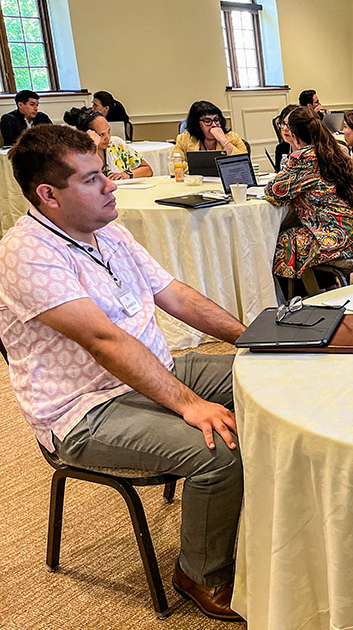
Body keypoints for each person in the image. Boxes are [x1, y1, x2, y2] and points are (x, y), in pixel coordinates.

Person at [0, 125, 247, 622]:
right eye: (93, 179)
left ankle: (245, 518)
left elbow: (174, 294)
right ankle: (199, 572)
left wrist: (252, 341)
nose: (112, 184)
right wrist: (188, 403)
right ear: (48, 195)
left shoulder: (107, 230)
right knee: (219, 452)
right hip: (84, 409)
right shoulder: (25, 253)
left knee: (265, 377)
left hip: (155, 367)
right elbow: (104, 342)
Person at [264, 106, 353, 282]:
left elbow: (274, 193)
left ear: (295, 135)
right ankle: (323, 288)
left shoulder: (304, 157)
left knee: (280, 242)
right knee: (297, 234)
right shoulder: (335, 149)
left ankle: (294, 300)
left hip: (335, 240)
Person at [63, 106, 153, 181]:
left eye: (109, 131)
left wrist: (128, 175)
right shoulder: (78, 154)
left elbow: (148, 170)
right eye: (101, 134)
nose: (108, 138)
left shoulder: (117, 144)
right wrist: (93, 147)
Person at [172, 101, 247, 161]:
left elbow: (243, 163)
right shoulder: (183, 139)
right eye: (208, 121)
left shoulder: (233, 137)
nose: (214, 125)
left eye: (216, 120)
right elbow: (176, 164)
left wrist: (224, 141)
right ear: (197, 124)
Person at [274, 103, 296, 171]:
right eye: (283, 123)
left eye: (289, 124)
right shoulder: (281, 148)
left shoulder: (310, 150)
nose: (284, 128)